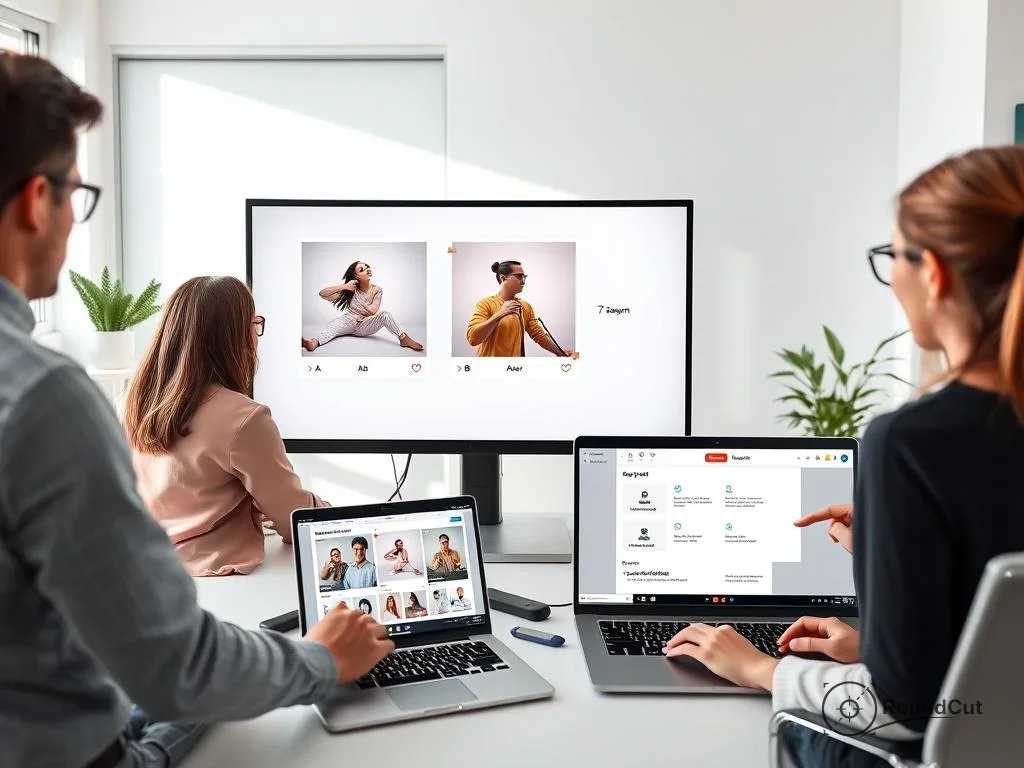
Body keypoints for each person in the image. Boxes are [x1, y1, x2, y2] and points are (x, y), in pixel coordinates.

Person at [0, 52, 394, 768]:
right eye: (76, 192)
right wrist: (318, 661)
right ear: (37, 201)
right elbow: (182, 669)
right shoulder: (45, 398)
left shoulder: (140, 394)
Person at [662, 145, 1024, 767]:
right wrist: (888, 587)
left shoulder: (910, 443)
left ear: (932, 272)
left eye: (891, 257)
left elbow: (907, 709)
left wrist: (760, 668)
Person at [125, 276, 330, 577]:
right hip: (217, 576)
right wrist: (328, 509)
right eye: (254, 323)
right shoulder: (245, 419)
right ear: (237, 336)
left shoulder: (130, 402)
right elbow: (294, 519)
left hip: (142, 568)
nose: (257, 334)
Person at [301, 260, 423, 352]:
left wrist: (363, 306)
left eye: (367, 267)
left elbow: (374, 310)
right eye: (362, 269)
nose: (367, 269)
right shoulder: (349, 290)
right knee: (333, 327)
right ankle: (312, 343)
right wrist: (344, 287)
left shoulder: (377, 290)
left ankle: (403, 338)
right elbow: (322, 294)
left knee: (385, 314)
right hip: (348, 320)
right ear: (356, 276)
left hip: (365, 325)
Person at [466, 260, 575, 358]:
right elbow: (473, 339)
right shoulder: (485, 304)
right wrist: (500, 313)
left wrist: (560, 353)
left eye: (524, 277)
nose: (523, 281)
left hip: (516, 370)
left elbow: (538, 335)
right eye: (519, 276)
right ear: (503, 278)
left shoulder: (525, 306)